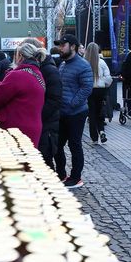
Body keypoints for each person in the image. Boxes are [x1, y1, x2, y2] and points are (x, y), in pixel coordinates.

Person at [0, 43, 46, 146]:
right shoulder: (37, 74)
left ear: (20, 57)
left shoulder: (16, 75)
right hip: (32, 129)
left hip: (15, 131)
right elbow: (21, 90)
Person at [54, 33, 93, 188]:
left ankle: (76, 177)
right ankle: (61, 174)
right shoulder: (63, 64)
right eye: (59, 45)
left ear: (73, 46)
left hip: (76, 112)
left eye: (62, 45)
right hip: (62, 112)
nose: (60, 48)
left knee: (74, 145)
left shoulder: (83, 65)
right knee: (57, 145)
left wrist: (72, 103)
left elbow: (86, 88)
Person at [22, 38, 62, 169]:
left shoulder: (48, 69)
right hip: (41, 122)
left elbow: (54, 99)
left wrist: (37, 115)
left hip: (47, 124)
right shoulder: (38, 68)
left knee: (45, 160)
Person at [85, 42, 112, 144]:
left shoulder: (84, 62)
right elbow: (108, 77)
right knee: (100, 111)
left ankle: (94, 138)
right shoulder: (102, 62)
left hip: (89, 90)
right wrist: (104, 84)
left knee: (91, 114)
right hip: (100, 90)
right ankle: (101, 131)